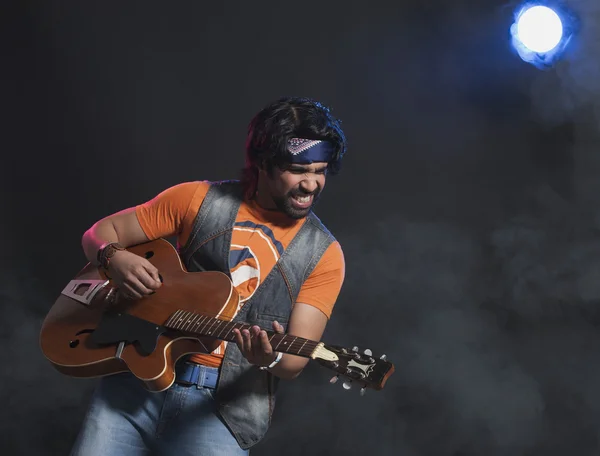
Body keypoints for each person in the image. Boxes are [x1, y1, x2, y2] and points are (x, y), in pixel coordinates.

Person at [70, 96, 348, 456]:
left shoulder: (324, 254)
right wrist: (113, 257)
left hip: (222, 412)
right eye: (298, 169)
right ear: (263, 162)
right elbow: (97, 234)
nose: (311, 185)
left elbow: (294, 360)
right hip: (133, 379)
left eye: (320, 171)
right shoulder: (196, 199)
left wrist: (269, 359)